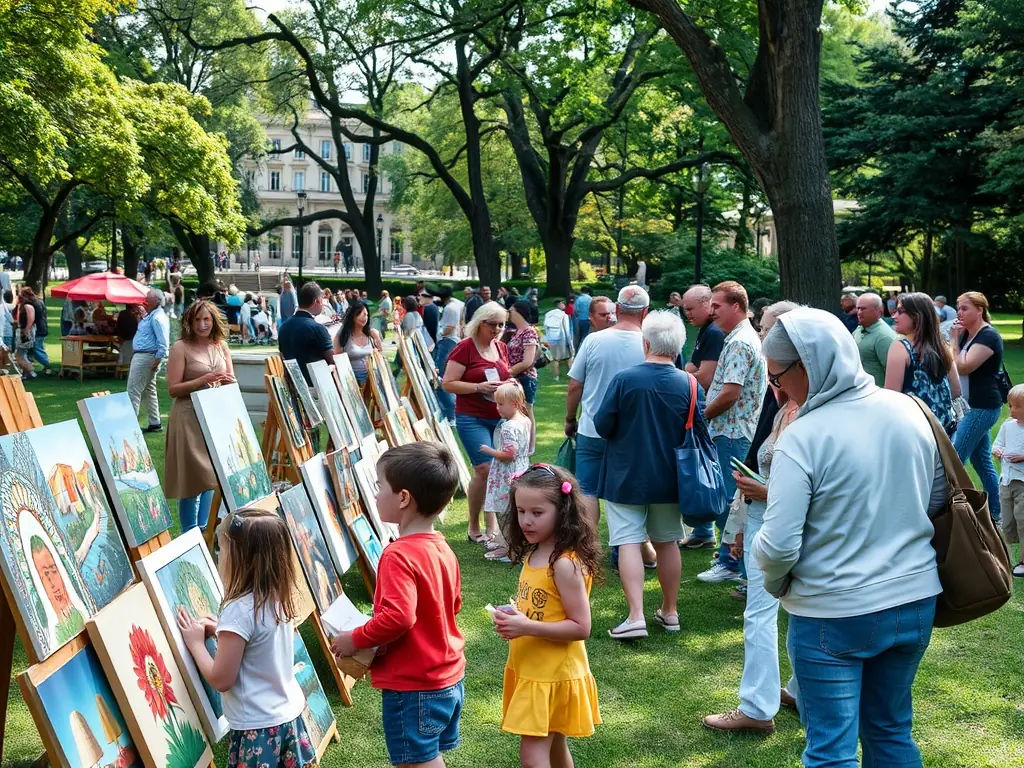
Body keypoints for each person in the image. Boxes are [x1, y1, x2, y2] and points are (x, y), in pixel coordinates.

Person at [753, 307, 944, 768]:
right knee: (892, 731)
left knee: (832, 751)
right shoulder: (911, 409)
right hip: (914, 600)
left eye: (777, 378)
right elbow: (938, 495)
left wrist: (774, 580)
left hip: (831, 611)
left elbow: (778, 544)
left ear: (807, 367)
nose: (777, 391)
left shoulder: (803, 435)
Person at [330, 443, 466, 768]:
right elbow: (453, 605)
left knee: (417, 763)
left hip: (415, 686)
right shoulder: (442, 548)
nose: (375, 494)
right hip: (447, 677)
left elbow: (399, 617)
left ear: (403, 498)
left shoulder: (397, 555)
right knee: (428, 757)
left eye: (379, 487)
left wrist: (356, 638)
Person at [703, 300, 800, 733]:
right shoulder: (786, 402)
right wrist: (742, 521)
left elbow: (817, 488)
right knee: (791, 610)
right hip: (765, 518)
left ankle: (758, 709)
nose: (762, 338)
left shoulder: (812, 411)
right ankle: (794, 691)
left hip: (783, 522)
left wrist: (763, 495)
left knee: (764, 614)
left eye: (768, 330)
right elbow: (759, 464)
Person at [176, 508, 316, 768]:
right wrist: (221, 630)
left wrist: (196, 645)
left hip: (259, 730)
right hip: (289, 720)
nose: (219, 557)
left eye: (222, 549)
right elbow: (259, 645)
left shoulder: (238, 610)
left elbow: (221, 678)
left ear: (239, 559)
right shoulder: (277, 596)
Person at [594, 311, 697, 640]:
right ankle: (670, 611)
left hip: (626, 473)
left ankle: (636, 615)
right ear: (679, 345)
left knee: (627, 541)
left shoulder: (626, 379)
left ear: (646, 342)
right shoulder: (689, 383)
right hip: (671, 476)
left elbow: (602, 424)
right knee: (668, 542)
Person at [493, 464, 601, 768]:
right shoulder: (535, 551)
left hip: (552, 673)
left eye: (537, 513)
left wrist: (526, 625)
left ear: (562, 510)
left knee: (532, 754)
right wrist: (515, 616)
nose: (526, 520)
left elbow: (581, 627)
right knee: (554, 748)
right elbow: (543, 607)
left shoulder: (565, 564)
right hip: (534, 668)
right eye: (521, 511)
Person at [695, 281, 766, 582]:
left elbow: (730, 393)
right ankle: (731, 560)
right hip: (736, 430)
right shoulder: (741, 336)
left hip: (732, 432)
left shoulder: (739, 342)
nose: (711, 312)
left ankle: (734, 565)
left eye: (716, 306)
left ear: (736, 306)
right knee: (734, 501)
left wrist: (701, 418)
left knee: (730, 500)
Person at [566, 286, 648, 526]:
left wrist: (570, 418)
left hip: (592, 427)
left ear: (618, 309)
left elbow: (574, 386)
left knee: (587, 490)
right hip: (633, 432)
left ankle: (588, 547)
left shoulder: (593, 340)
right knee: (626, 492)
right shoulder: (649, 344)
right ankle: (629, 547)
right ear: (645, 312)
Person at [442, 301, 511, 544]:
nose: (498, 329)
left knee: (496, 472)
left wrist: (509, 387)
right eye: (493, 324)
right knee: (485, 469)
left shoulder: (500, 347)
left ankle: (491, 524)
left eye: (502, 325)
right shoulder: (464, 348)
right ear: (480, 323)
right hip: (471, 417)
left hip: (500, 418)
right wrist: (478, 387)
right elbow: (448, 383)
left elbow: (508, 375)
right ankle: (474, 526)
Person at [165, 300, 235, 531]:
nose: (202, 324)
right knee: (193, 480)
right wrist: (201, 381)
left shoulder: (221, 346)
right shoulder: (180, 348)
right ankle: (190, 533)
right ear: (189, 322)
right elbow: (173, 389)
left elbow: (230, 380)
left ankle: (204, 528)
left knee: (214, 476)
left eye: (206, 319)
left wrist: (229, 384)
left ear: (213, 320)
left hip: (214, 416)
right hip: (188, 417)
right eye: (197, 320)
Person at [952, 291, 1004, 523]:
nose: (959, 313)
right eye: (958, 308)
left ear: (980, 310)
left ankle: (952, 511)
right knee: (981, 462)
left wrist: (953, 340)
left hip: (982, 407)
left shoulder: (988, 336)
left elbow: (964, 367)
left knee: (955, 458)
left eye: (964, 308)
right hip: (967, 406)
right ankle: (996, 512)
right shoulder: (967, 335)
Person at [884, 292, 960, 434]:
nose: (894, 316)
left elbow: (891, 398)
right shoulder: (942, 346)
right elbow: (956, 391)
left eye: (900, 311)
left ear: (916, 316)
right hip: (944, 431)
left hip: (915, 432)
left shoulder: (900, 347)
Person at [478, 381, 532, 563]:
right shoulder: (525, 420)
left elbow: (509, 455)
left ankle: (513, 550)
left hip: (507, 476)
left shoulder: (509, 427)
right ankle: (514, 546)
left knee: (505, 513)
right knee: (515, 511)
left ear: (515, 404)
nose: (497, 408)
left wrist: (489, 450)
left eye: (501, 404)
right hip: (522, 470)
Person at [127, 289, 170, 433]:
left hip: (146, 356)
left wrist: (158, 359)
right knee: (149, 389)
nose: (145, 300)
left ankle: (130, 424)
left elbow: (163, 342)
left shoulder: (158, 318)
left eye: (148, 298)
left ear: (156, 301)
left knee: (133, 389)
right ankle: (155, 421)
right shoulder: (152, 315)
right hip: (146, 355)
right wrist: (143, 315)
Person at [993, 385, 1024, 578]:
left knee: (1023, 521)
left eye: (1017, 406)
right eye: (1010, 405)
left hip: (1022, 483)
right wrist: (998, 451)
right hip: (1006, 481)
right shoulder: (1007, 426)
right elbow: (996, 444)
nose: (1011, 410)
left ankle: (1023, 561)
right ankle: (1007, 557)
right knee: (1008, 522)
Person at [279, 282, 336, 386]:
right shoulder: (318, 328)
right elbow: (333, 359)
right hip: (315, 385)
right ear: (317, 301)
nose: (323, 304)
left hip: (293, 385)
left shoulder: (283, 327)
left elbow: (282, 355)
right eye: (322, 300)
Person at [506, 300, 539, 453]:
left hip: (525, 378)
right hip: (516, 378)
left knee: (526, 412)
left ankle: (529, 448)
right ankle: (521, 444)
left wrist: (508, 372)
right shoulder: (516, 332)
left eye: (510, 310)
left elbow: (528, 361)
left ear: (518, 311)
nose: (508, 313)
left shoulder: (529, 332)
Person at [682, 284, 725, 393]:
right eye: (685, 309)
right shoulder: (707, 328)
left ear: (706, 304)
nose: (687, 314)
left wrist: (675, 380)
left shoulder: (714, 332)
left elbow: (704, 380)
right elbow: (693, 366)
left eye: (690, 309)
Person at [433, 286, 464, 424]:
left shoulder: (450, 308)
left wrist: (440, 334)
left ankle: (451, 414)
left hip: (448, 341)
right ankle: (453, 412)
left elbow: (449, 326)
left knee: (441, 378)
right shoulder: (458, 304)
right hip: (454, 341)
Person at [853, 293, 897, 387]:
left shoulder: (884, 337)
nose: (859, 312)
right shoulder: (859, 329)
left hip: (876, 394)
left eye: (863, 309)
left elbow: (894, 374)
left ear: (878, 311)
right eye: (858, 308)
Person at [335, 300, 382, 385]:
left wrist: (377, 338)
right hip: (352, 379)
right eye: (363, 314)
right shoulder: (343, 334)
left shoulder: (370, 334)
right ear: (354, 315)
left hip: (372, 377)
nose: (365, 318)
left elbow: (380, 354)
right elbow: (338, 360)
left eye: (367, 315)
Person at [542, 299, 573, 381]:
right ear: (559, 304)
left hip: (551, 339)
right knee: (569, 357)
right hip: (562, 339)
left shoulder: (548, 314)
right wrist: (570, 342)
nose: (564, 304)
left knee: (555, 359)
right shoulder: (564, 315)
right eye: (562, 303)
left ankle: (556, 377)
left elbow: (545, 327)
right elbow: (566, 329)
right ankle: (573, 377)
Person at [13, 289, 36, 380]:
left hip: (25, 332)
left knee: (19, 354)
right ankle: (26, 373)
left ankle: (31, 371)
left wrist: (26, 330)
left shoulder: (27, 306)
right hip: (22, 330)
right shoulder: (21, 306)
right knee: (22, 354)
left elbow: (31, 319)